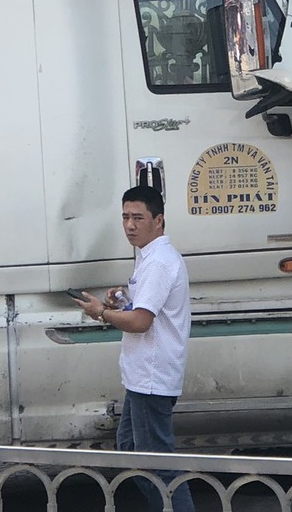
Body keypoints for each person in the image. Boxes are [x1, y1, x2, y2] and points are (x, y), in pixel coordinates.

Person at [79, 186, 194, 512]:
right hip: (142, 376)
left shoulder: (158, 262)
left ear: (158, 221)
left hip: (152, 377)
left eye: (138, 218)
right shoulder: (150, 257)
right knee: (131, 450)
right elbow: (143, 310)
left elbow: (142, 322)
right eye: (125, 217)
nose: (130, 225)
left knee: (158, 466)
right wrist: (123, 301)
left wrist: (101, 312)